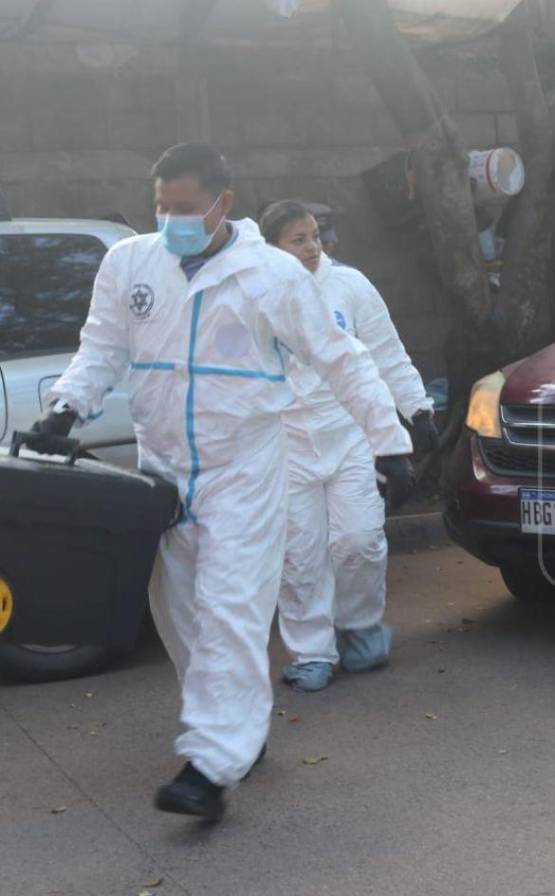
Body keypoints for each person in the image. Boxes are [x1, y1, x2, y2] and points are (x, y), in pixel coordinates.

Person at [31, 143, 415, 823]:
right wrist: (66, 408)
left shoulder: (271, 277)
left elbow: (341, 358)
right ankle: (236, 730)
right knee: (178, 614)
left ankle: (210, 764)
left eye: (185, 207)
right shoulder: (130, 265)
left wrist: (390, 443)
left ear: (223, 205)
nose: (171, 218)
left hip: (246, 469)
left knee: (231, 608)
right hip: (161, 469)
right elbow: (102, 347)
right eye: (161, 205)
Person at [259, 200, 436, 692]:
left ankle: (359, 628)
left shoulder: (350, 286)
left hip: (349, 434)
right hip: (286, 442)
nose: (313, 247)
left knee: (358, 540)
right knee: (301, 554)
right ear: (271, 248)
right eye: (298, 239)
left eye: (315, 236)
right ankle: (311, 653)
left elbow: (385, 354)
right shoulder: (254, 294)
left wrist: (416, 410)